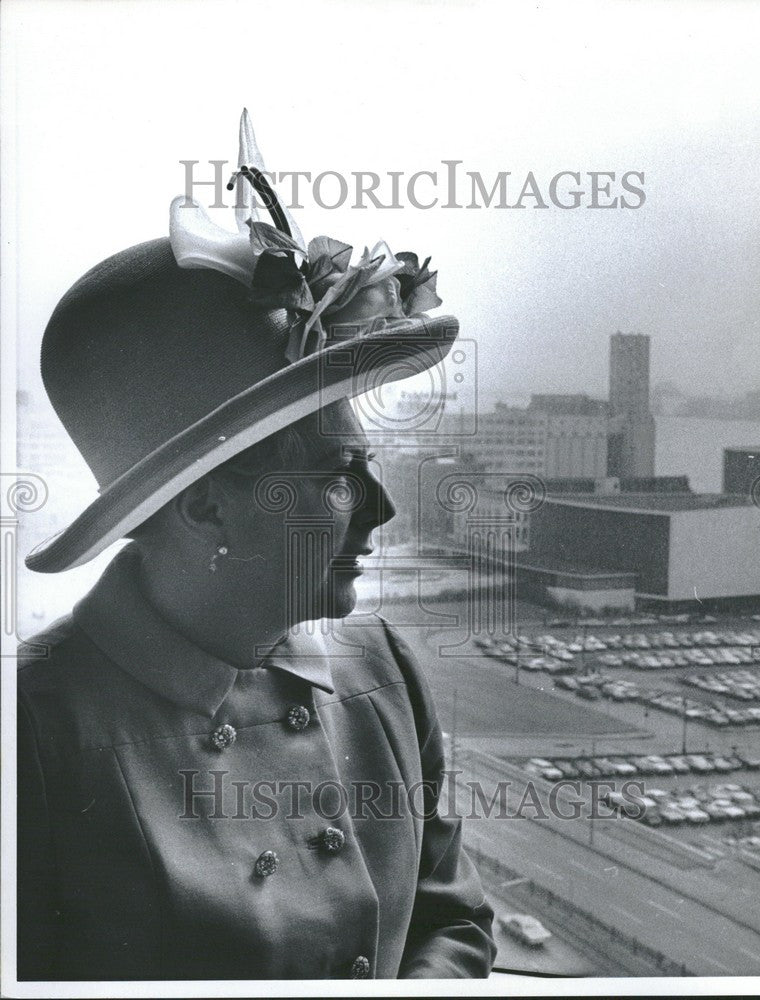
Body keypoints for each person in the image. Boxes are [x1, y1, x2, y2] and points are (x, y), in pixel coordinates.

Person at [17, 111, 496, 981]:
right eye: (336, 473)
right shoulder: (36, 730)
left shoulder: (383, 670)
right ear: (204, 509)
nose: (378, 510)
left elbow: (450, 922)